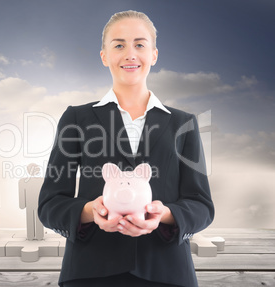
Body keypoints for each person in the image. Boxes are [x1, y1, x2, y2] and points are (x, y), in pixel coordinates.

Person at [38, 10, 214, 287]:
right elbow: (50, 203)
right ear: (104, 56)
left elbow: (201, 204)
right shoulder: (77, 118)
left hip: (166, 272)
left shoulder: (184, 123)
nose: (130, 54)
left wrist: (164, 215)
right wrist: (90, 211)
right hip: (91, 271)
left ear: (154, 55)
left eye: (140, 44)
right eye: (119, 45)